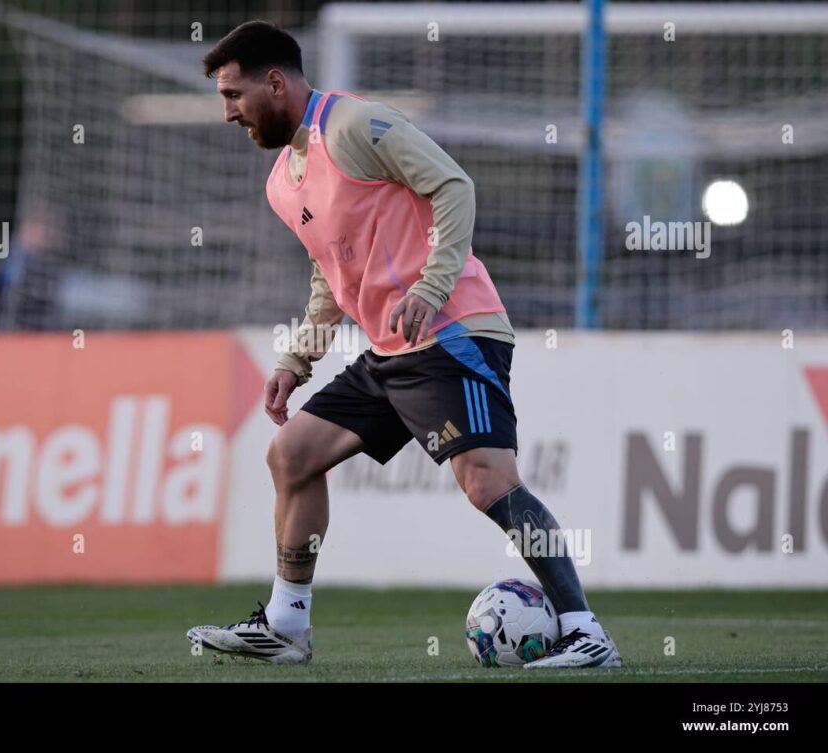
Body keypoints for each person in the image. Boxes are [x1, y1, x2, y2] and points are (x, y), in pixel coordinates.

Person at [186, 21, 622, 669]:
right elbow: (330, 276)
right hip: (390, 353)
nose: (228, 112)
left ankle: (586, 632)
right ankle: (286, 625)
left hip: (453, 331)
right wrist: (297, 358)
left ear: (275, 83)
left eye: (233, 94)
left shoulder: (356, 125)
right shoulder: (282, 181)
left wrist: (432, 284)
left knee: (488, 482)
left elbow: (453, 186)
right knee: (292, 455)